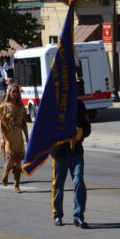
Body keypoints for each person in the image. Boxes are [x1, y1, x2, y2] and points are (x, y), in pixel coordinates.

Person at [51, 97, 90, 227]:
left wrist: (80, 133)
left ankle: (78, 216)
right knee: (59, 185)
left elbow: (87, 127)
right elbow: (47, 128)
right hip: (60, 152)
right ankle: (57, 214)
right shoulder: (55, 105)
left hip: (76, 151)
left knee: (79, 181)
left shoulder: (79, 104)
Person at [0, 84, 29, 191]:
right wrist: (2, 138)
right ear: (9, 93)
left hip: (18, 136)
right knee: (10, 159)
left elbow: (24, 124)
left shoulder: (21, 107)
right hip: (8, 136)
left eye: (17, 92)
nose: (15, 94)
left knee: (18, 162)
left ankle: (17, 185)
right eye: (13, 92)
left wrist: (27, 138)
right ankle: (6, 171)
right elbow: (0, 123)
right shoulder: (4, 106)